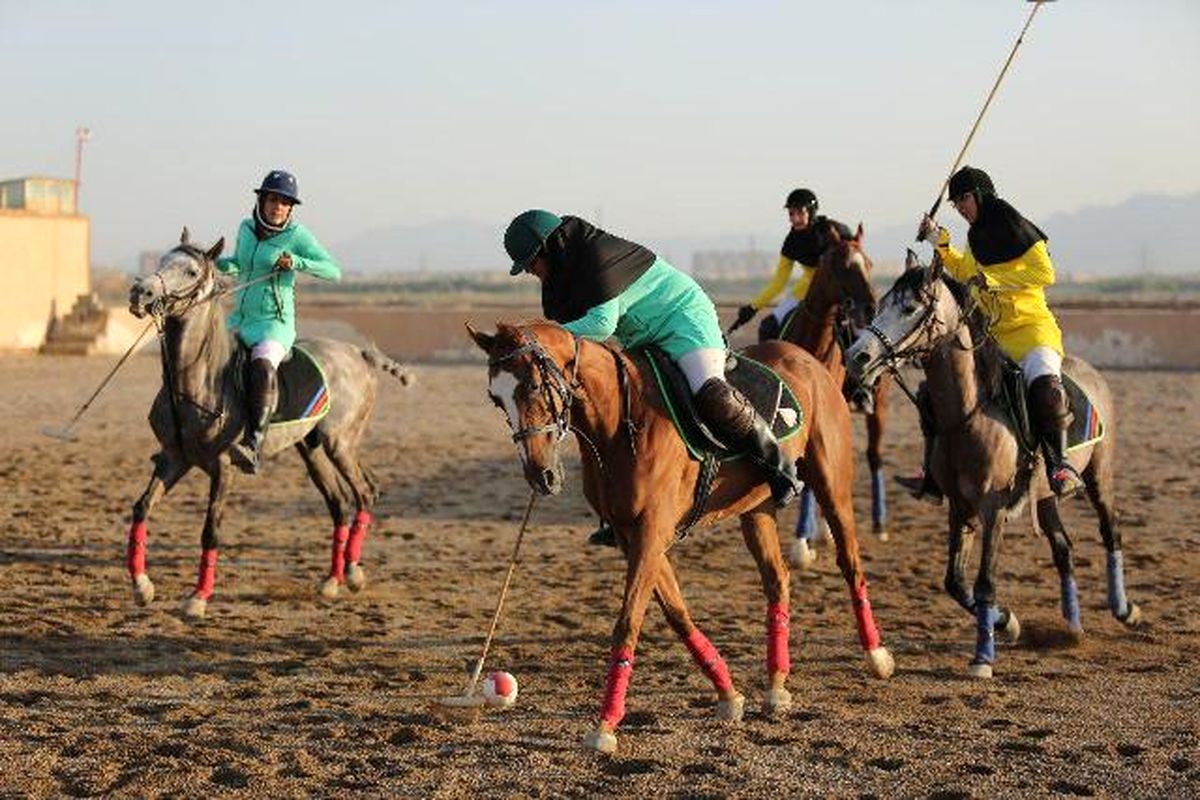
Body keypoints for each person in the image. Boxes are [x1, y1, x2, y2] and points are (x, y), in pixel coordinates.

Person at [505, 209, 804, 537]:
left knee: (710, 391)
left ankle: (779, 465)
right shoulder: (566, 274)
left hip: (684, 321)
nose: (533, 272)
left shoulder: (597, 256)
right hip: (642, 337)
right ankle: (619, 512)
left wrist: (547, 340)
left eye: (533, 263)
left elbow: (602, 325)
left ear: (551, 247)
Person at [899, 165, 1084, 501]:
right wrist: (938, 240)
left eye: (964, 199)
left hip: (1032, 333)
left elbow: (1045, 273)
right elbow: (965, 272)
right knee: (937, 392)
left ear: (982, 194)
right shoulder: (974, 237)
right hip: (992, 338)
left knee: (1047, 391)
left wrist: (993, 281)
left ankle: (1060, 465)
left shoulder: (1017, 227)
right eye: (955, 203)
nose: (961, 207)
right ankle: (933, 475)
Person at [216, 170, 342, 474]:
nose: (279, 206)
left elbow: (333, 270)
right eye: (273, 199)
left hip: (274, 325)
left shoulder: (297, 236)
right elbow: (239, 265)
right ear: (262, 200)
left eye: (286, 202)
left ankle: (253, 443)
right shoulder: (245, 228)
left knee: (261, 364)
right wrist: (211, 262)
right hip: (239, 320)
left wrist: (297, 262)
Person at [733, 188, 853, 341]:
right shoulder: (791, 242)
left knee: (859, 331)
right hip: (804, 292)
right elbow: (778, 283)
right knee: (768, 326)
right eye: (791, 214)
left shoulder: (834, 230)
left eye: (800, 213)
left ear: (811, 212)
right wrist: (753, 307)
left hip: (839, 293)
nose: (795, 219)